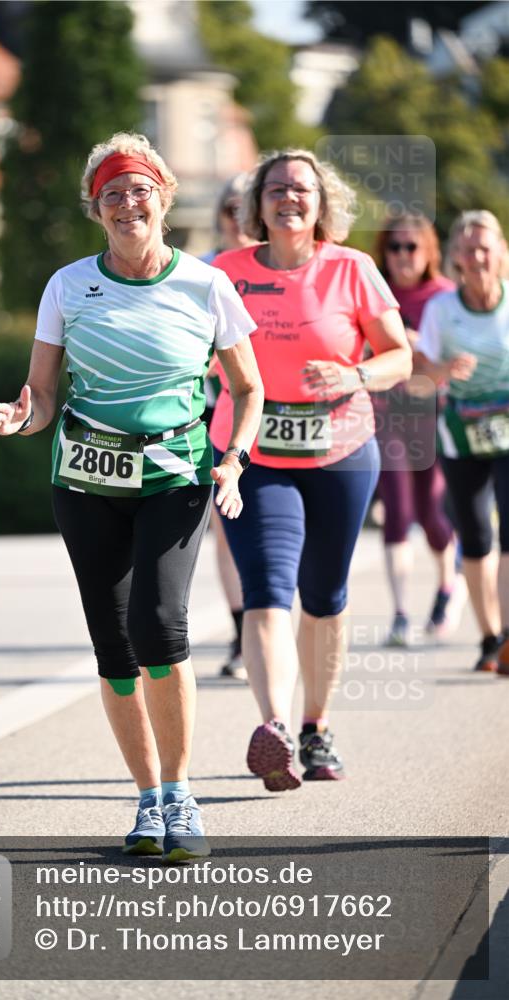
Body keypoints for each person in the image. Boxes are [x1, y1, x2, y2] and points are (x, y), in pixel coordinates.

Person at [0, 132, 263, 859]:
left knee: (159, 627)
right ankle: (146, 801)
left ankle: (180, 794)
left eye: (139, 188)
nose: (127, 202)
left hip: (174, 476)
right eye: (112, 192)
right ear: (95, 209)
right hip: (85, 482)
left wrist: (233, 457)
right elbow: (43, 395)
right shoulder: (67, 286)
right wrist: (23, 417)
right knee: (112, 647)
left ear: (163, 197)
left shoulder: (205, 285)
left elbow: (247, 387)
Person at [209, 149, 412, 789]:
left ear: (322, 202)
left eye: (301, 188)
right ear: (256, 204)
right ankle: (274, 731)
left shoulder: (353, 270)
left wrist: (353, 374)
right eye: (276, 188)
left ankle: (316, 728)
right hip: (251, 453)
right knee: (267, 586)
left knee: (324, 596)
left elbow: (399, 357)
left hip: (340, 452)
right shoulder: (226, 272)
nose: (288, 197)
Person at [415, 210, 509, 674]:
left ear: (502, 253)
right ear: (455, 258)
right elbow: (420, 370)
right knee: (475, 538)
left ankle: (508, 634)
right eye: (468, 250)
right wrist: (443, 373)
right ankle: (490, 637)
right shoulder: (442, 311)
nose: (477, 258)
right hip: (461, 436)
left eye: (485, 248)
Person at [373, 215, 465, 646]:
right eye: (395, 247)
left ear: (429, 251)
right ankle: (400, 613)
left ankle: (449, 586)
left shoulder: (446, 296)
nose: (403, 255)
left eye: (411, 246)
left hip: (433, 414)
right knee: (396, 508)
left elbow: (460, 363)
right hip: (386, 412)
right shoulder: (374, 292)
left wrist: (418, 347)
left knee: (431, 513)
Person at [202, 174, 257, 680]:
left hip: (288, 418)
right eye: (231, 211)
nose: (239, 222)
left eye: (248, 211)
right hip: (225, 416)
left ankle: (273, 623)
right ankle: (243, 635)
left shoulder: (278, 267)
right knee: (228, 531)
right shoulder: (204, 272)